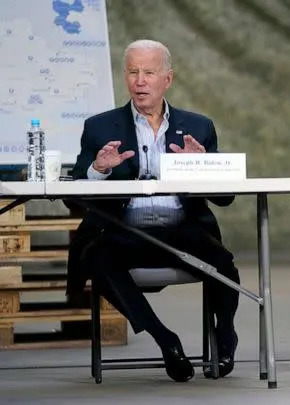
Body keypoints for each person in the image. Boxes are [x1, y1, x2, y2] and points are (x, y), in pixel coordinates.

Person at [67, 39, 239, 382]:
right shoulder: (100, 127)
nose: (140, 80)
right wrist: (98, 170)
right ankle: (166, 340)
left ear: (168, 79)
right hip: (125, 230)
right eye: (132, 72)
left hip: (183, 229)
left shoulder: (198, 126)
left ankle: (225, 335)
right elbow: (75, 198)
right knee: (96, 258)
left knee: (224, 264)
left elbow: (225, 197)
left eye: (149, 72)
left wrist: (204, 167)